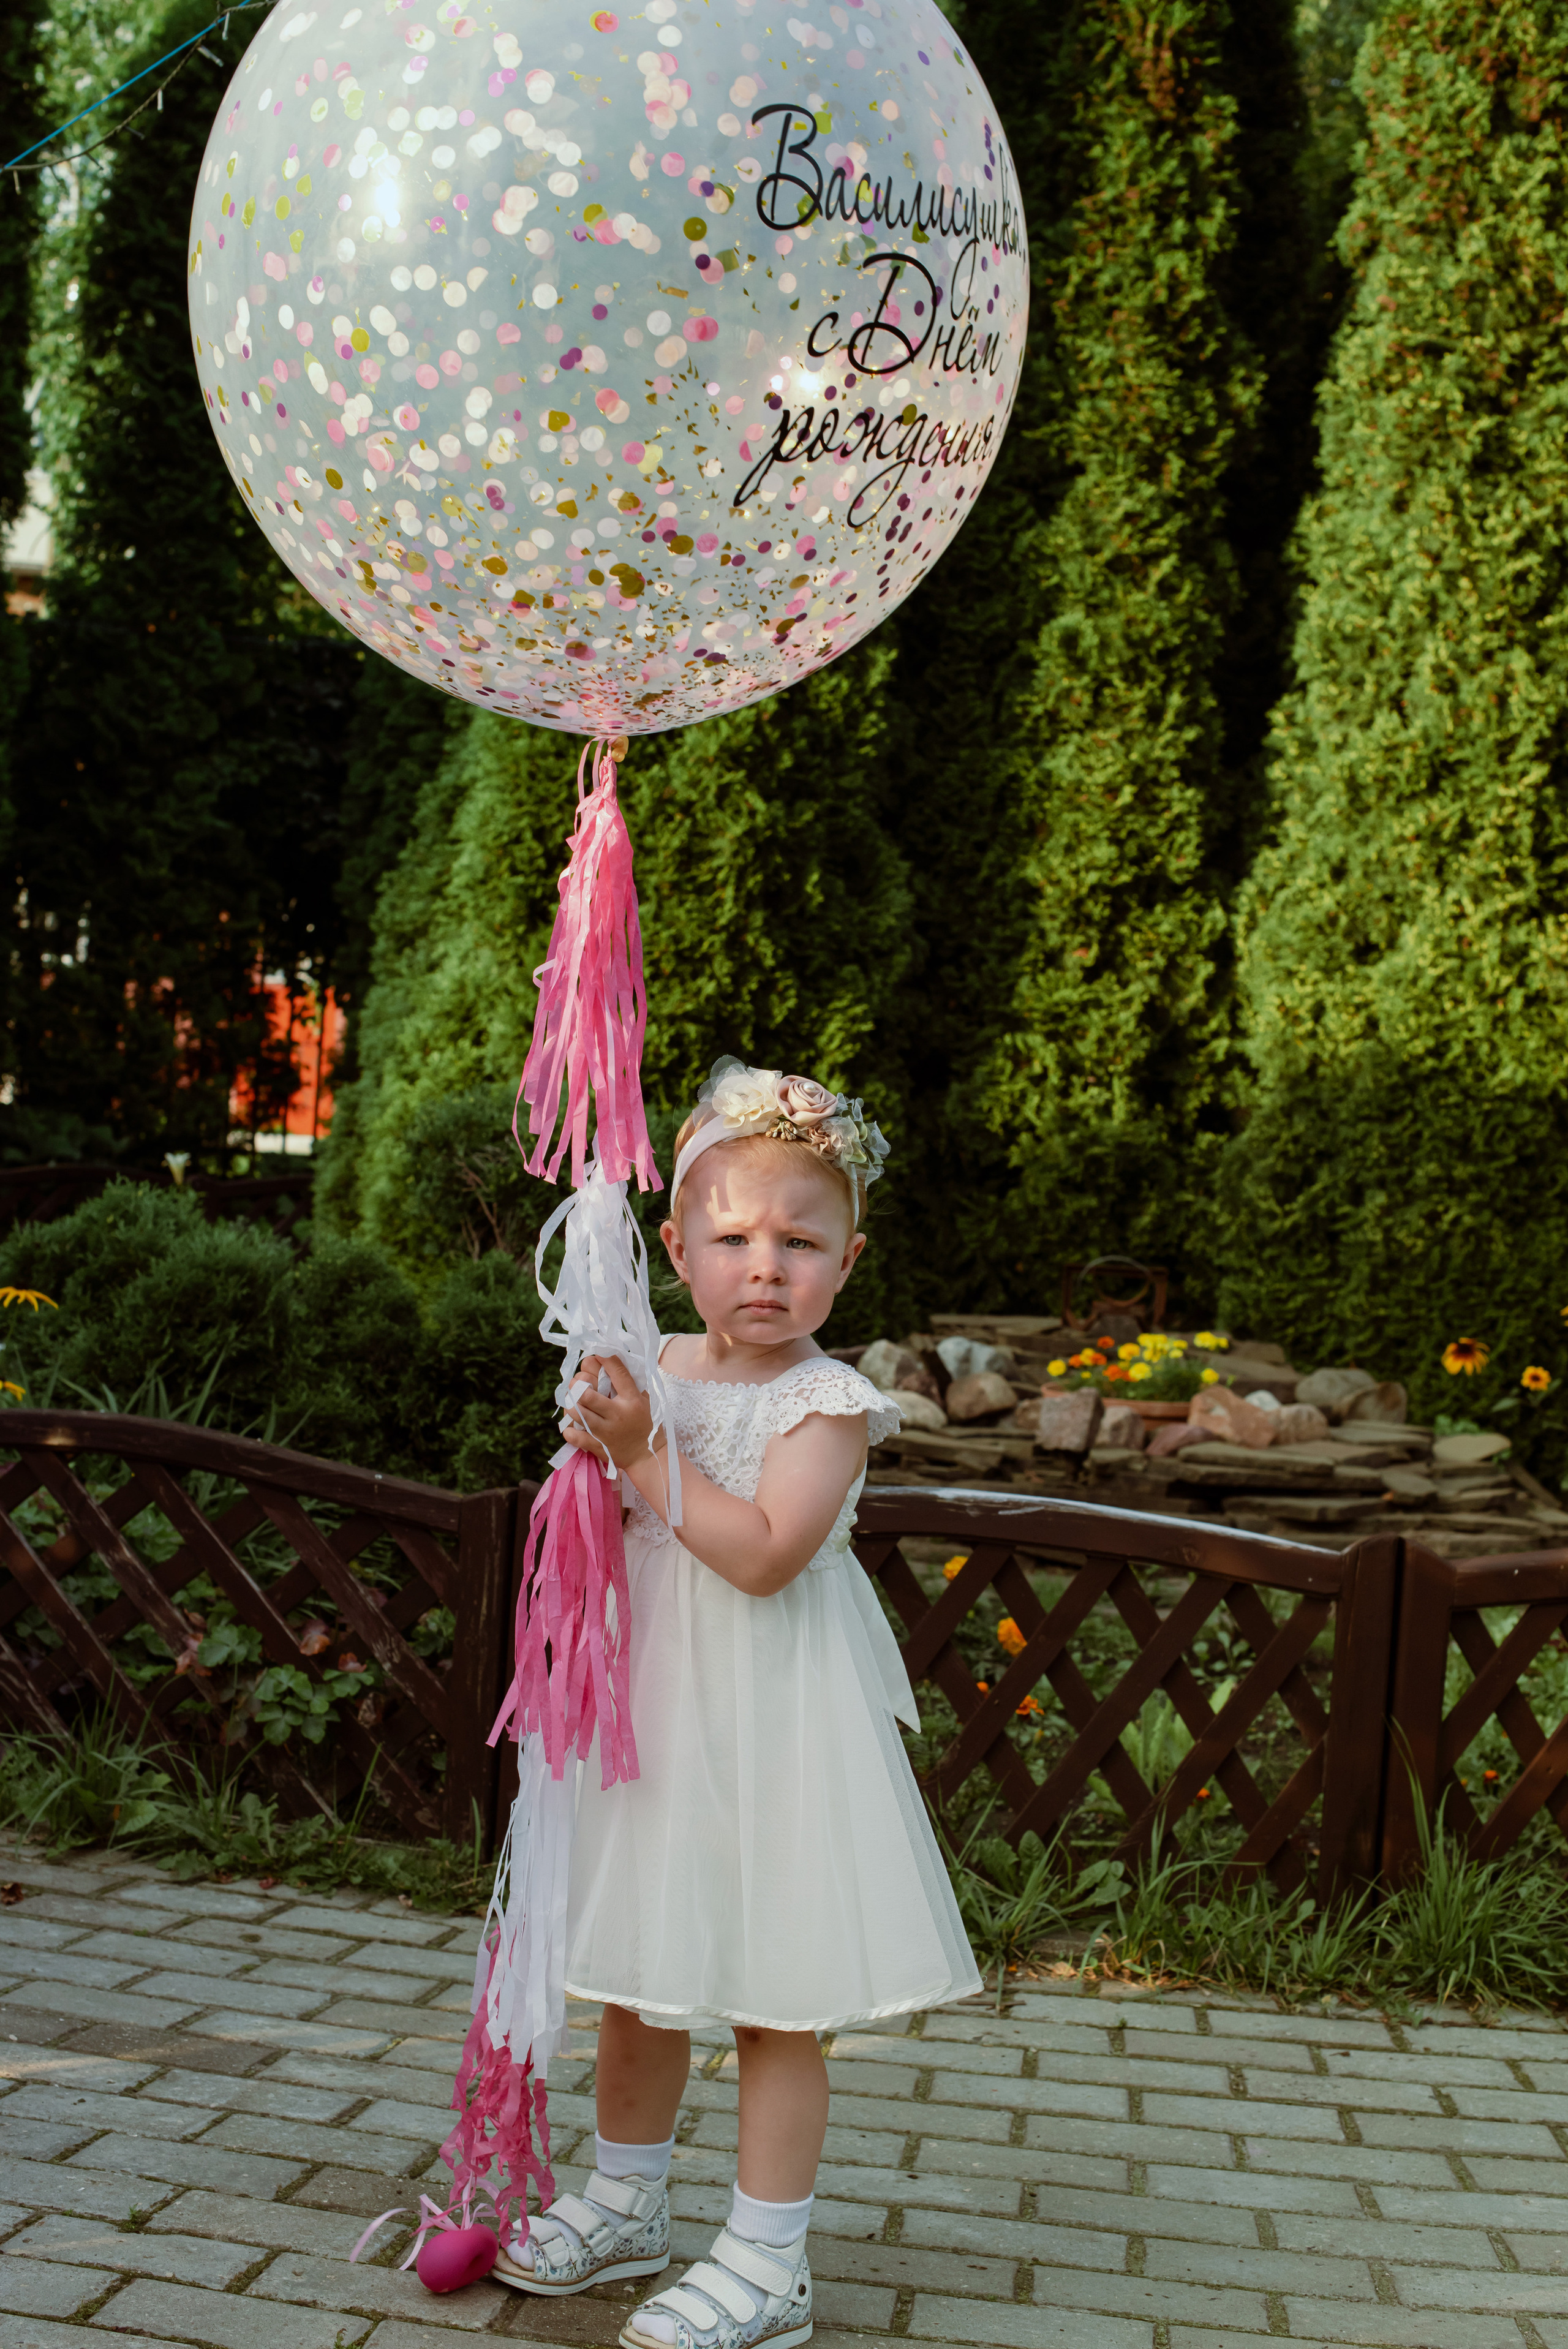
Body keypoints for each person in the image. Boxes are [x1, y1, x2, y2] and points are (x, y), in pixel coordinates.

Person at [491, 1058, 981, 2348]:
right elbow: (599, 1510)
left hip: (773, 1731)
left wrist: (643, 1448)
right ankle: (624, 2195)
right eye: (732, 1236)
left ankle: (768, 2259)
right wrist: (592, 1443)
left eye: (800, 1241)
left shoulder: (826, 1403)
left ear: (848, 1258)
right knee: (639, 1979)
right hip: (655, 1722)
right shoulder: (647, 1360)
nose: (765, 1266)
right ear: (675, 1246)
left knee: (773, 1995)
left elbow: (763, 1551)